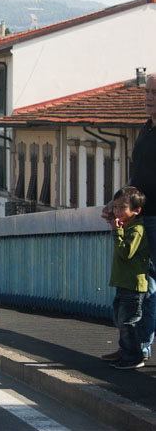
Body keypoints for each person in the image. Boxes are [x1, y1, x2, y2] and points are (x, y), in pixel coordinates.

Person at [102, 74, 156, 363]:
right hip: (142, 218)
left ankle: (137, 349)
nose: (148, 97)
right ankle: (135, 348)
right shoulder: (146, 129)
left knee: (147, 289)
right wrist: (116, 202)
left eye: (155, 93)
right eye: (147, 92)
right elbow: (138, 177)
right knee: (143, 288)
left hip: (154, 219)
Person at [99, 187, 151, 369]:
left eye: (123, 208)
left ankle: (134, 356)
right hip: (123, 282)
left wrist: (116, 231)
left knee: (128, 321)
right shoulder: (128, 226)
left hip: (133, 284)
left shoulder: (136, 230)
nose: (118, 211)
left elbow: (126, 253)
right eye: (116, 207)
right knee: (120, 319)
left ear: (136, 210)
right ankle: (126, 352)